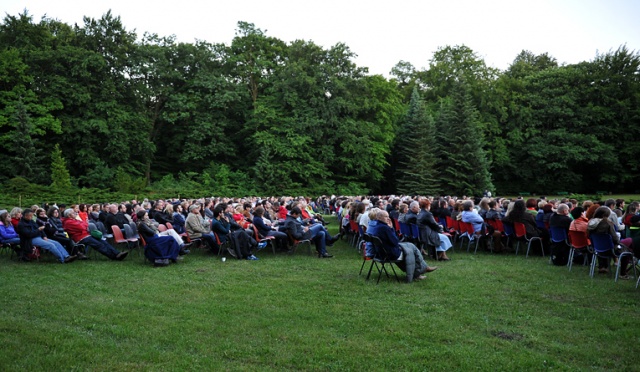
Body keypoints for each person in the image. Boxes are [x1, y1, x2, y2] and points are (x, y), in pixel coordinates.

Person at [371, 210, 437, 283]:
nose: (388, 218)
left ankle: (424, 268)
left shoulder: (377, 226)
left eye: (388, 216)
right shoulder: (384, 228)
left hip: (382, 252)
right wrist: (391, 228)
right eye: (386, 217)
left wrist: (391, 228)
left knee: (411, 246)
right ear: (379, 217)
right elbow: (395, 242)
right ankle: (419, 273)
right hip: (390, 254)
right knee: (412, 252)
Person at [62, 209, 128, 261]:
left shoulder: (74, 220)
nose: (75, 213)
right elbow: (83, 226)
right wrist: (84, 225)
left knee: (102, 241)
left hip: (86, 235)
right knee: (98, 245)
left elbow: (85, 224)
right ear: (69, 215)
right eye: (73, 213)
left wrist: (84, 225)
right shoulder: (68, 222)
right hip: (80, 238)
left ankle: (117, 253)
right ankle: (114, 257)